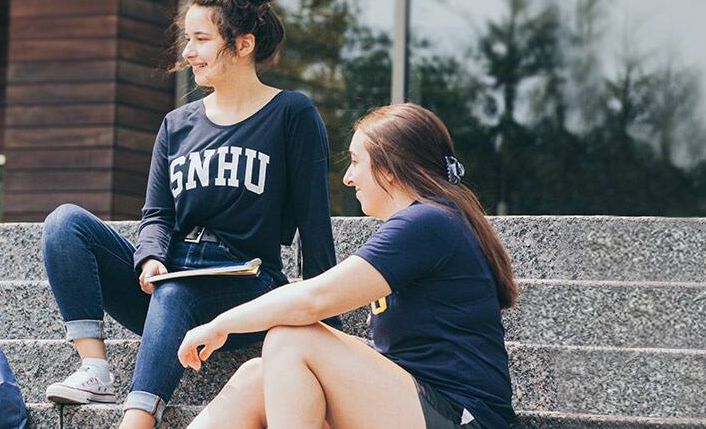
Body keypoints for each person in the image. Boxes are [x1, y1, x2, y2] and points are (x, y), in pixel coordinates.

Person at [37, 0, 339, 428]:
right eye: (188, 39)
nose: (189, 52)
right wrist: (150, 257)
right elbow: (156, 214)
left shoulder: (290, 115)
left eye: (201, 39)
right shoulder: (177, 125)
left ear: (242, 43)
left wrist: (328, 328)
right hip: (168, 282)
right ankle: (94, 366)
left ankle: (136, 420)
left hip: (246, 287)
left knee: (178, 293)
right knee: (65, 222)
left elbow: (315, 227)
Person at [176, 103, 521, 428]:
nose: (347, 178)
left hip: (464, 417)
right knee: (257, 376)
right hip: (419, 407)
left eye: (356, 162)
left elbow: (315, 299)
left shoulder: (428, 222)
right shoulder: (428, 222)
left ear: (388, 169)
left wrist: (221, 324)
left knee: (292, 338)